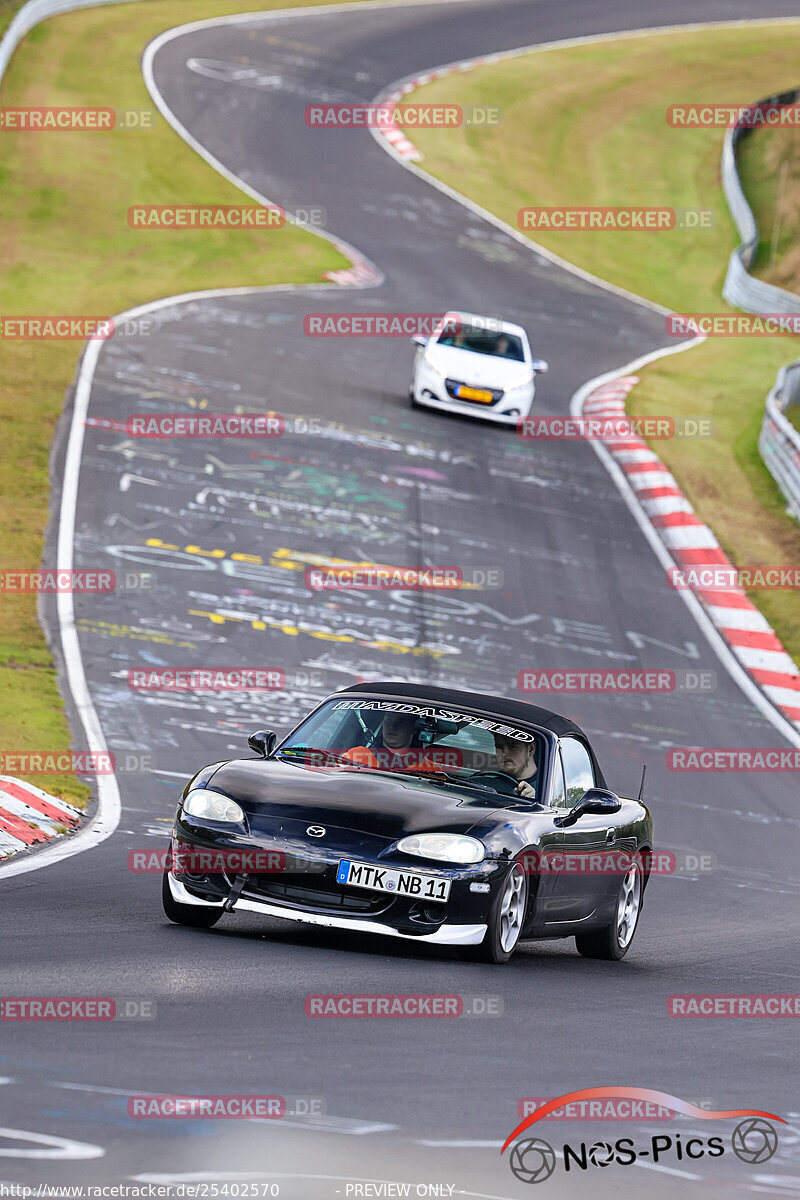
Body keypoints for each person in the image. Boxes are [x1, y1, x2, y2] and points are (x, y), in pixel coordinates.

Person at [343, 713, 438, 772]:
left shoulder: (430, 769)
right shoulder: (356, 755)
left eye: (401, 722)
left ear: (413, 729)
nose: (392, 726)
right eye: (388, 720)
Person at [492, 732, 538, 799]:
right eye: (499, 747)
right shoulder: (489, 781)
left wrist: (535, 800)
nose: (504, 753)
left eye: (512, 746)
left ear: (531, 749)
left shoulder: (548, 789)